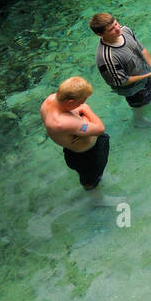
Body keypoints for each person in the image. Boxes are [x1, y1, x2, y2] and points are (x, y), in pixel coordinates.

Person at [40, 76, 122, 206]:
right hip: (86, 156)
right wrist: (86, 110)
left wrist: (81, 120)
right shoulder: (61, 122)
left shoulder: (51, 99)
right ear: (70, 102)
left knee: (94, 175)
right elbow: (100, 128)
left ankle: (97, 179)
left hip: (79, 149)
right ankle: (98, 200)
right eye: (81, 101)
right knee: (89, 180)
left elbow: (77, 118)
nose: (83, 104)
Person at [91, 12, 151, 127]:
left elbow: (142, 49)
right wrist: (149, 74)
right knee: (139, 104)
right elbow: (122, 81)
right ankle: (138, 120)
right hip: (132, 87)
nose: (117, 29)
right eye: (111, 29)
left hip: (145, 71)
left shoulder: (125, 30)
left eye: (116, 24)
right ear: (100, 34)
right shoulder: (106, 57)